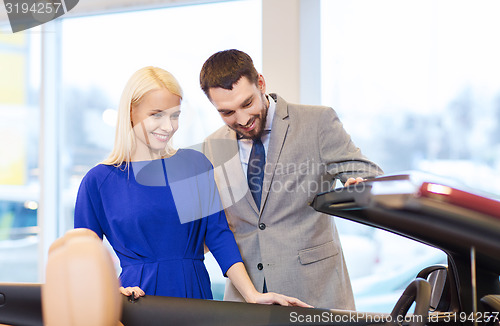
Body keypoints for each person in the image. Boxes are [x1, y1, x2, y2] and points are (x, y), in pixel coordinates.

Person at [74, 66, 311, 307]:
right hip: (135, 302)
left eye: (174, 115)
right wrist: (115, 290)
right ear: (131, 112)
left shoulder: (193, 165)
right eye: (157, 114)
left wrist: (252, 295)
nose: (168, 126)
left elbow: (218, 234)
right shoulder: (98, 181)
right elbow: (84, 257)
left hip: (195, 296)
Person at [200, 49, 384, 309]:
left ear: (261, 84)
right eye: (227, 113)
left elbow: (367, 174)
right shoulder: (212, 145)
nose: (242, 120)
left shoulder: (317, 122)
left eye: (247, 104)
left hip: (314, 295)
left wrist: (362, 185)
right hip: (247, 303)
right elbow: (209, 231)